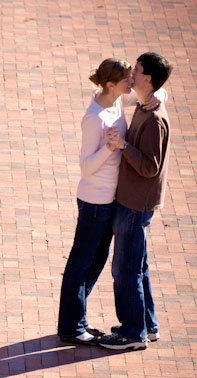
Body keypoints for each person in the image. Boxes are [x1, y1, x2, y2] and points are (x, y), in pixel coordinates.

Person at [58, 58, 165, 346]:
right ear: (110, 84)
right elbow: (86, 167)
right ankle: (70, 326)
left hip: (111, 200)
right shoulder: (95, 118)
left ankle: (77, 319)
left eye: (133, 78)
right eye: (126, 81)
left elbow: (150, 97)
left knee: (96, 261)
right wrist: (110, 146)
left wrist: (160, 94)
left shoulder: (116, 102)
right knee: (81, 264)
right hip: (94, 201)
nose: (131, 83)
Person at [99, 52, 173, 350]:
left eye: (137, 69)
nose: (132, 71)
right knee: (138, 266)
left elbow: (149, 166)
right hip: (134, 201)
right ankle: (147, 324)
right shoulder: (148, 103)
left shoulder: (154, 118)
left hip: (134, 204)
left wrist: (122, 144)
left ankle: (132, 333)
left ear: (148, 79)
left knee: (125, 270)